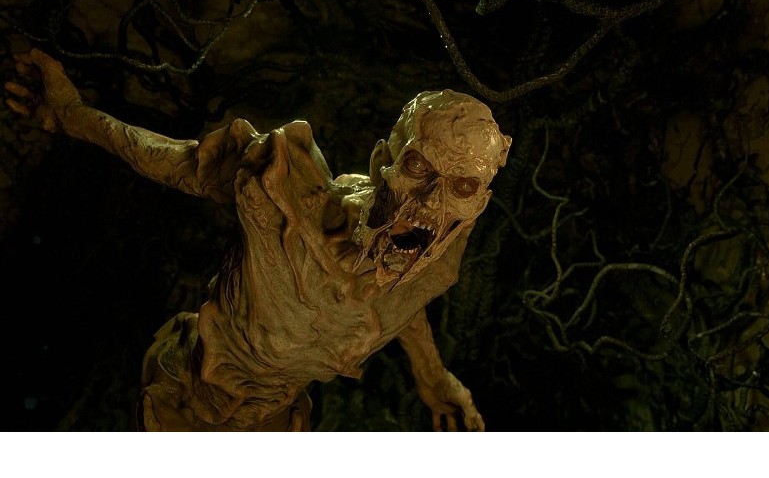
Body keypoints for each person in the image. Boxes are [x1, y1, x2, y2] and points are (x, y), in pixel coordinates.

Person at [5, 49, 511, 431]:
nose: (429, 205)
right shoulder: (281, 191)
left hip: (277, 421)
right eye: (417, 167)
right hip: (189, 399)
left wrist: (432, 376)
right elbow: (175, 162)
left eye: (463, 187)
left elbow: (404, 297)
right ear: (383, 161)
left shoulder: (436, 252)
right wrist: (71, 114)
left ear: (479, 203)